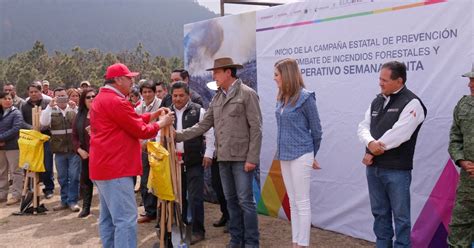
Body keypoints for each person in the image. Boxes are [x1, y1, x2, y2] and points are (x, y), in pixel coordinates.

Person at [176, 57, 262, 248]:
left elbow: (256, 129)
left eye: (216, 72)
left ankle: (251, 243)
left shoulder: (247, 94)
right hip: (223, 158)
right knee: (231, 201)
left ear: (228, 73)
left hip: (242, 159)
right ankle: (236, 240)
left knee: (246, 202)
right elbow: (203, 125)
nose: (213, 75)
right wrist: (178, 136)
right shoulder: (217, 98)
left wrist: (252, 158)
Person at [89, 63, 174, 248]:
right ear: (118, 80)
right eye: (129, 78)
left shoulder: (102, 98)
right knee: (126, 219)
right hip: (116, 168)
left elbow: (130, 120)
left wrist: (154, 114)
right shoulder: (115, 101)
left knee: (108, 218)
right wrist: (161, 122)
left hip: (104, 167)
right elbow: (140, 130)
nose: (132, 81)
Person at [357, 61, 427, 247]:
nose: (380, 83)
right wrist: (370, 143)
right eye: (380, 79)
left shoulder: (412, 103)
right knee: (379, 213)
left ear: (399, 81)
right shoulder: (377, 100)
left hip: (397, 171)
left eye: (385, 80)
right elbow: (363, 126)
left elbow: (400, 134)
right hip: (374, 170)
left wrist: (373, 149)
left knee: (401, 218)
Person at [273, 58, 322, 248]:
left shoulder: (306, 97)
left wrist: (312, 155)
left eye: (276, 74)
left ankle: (303, 244)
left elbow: (317, 131)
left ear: (286, 75)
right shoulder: (281, 98)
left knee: (302, 202)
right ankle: (295, 242)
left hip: (302, 154)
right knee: (292, 202)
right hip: (285, 155)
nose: (274, 78)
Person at [170, 82, 215, 244]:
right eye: (175, 95)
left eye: (181, 95)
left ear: (188, 95)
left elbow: (209, 132)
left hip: (194, 161)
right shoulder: (167, 113)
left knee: (195, 197)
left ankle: (198, 231)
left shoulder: (199, 111)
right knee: (179, 198)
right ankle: (183, 227)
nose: (178, 98)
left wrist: (209, 153)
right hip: (174, 163)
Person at [40, 87, 82, 212]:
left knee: (74, 176)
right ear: (54, 96)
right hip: (59, 151)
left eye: (63, 95)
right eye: (58, 96)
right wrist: (49, 106)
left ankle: (73, 201)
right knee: (62, 177)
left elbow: (82, 121)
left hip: (74, 150)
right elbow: (44, 122)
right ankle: (64, 201)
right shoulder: (50, 109)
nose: (61, 98)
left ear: (67, 96)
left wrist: (75, 108)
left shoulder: (73, 109)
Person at [447, 65, 474, 247]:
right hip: (468, 182)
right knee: (458, 229)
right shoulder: (464, 104)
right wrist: (462, 160)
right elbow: (455, 138)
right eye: (470, 80)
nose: (470, 85)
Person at [21, 82, 55, 199]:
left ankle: (49, 188)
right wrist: (32, 128)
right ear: (28, 93)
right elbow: (21, 121)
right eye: (31, 92)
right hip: (31, 139)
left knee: (47, 164)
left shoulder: (48, 102)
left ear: (41, 91)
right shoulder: (24, 105)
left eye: (36, 91)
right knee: (30, 164)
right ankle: (31, 188)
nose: (34, 94)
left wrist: (42, 127)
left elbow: (52, 119)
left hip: (45, 138)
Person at [134, 80, 161, 224]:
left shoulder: (161, 105)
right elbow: (136, 127)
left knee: (160, 179)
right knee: (145, 180)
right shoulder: (138, 108)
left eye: (150, 91)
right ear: (141, 94)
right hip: (144, 149)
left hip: (159, 148)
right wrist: (141, 143)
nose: (147, 94)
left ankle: (162, 210)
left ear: (155, 92)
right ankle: (149, 211)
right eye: (144, 92)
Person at [72, 88, 96, 218]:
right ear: (83, 100)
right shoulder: (79, 116)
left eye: (93, 96)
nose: (92, 99)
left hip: (101, 155)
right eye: (88, 97)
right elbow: (74, 136)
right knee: (86, 181)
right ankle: (86, 207)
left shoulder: (102, 113)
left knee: (103, 183)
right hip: (85, 155)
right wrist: (79, 150)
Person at [0, 92, 24, 205]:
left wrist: (1, 138)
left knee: (16, 171)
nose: (8, 100)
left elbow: (16, 128)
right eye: (5, 98)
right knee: (2, 172)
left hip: (13, 147)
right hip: (1, 148)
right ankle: (2, 194)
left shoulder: (16, 113)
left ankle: (16, 195)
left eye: (10, 98)